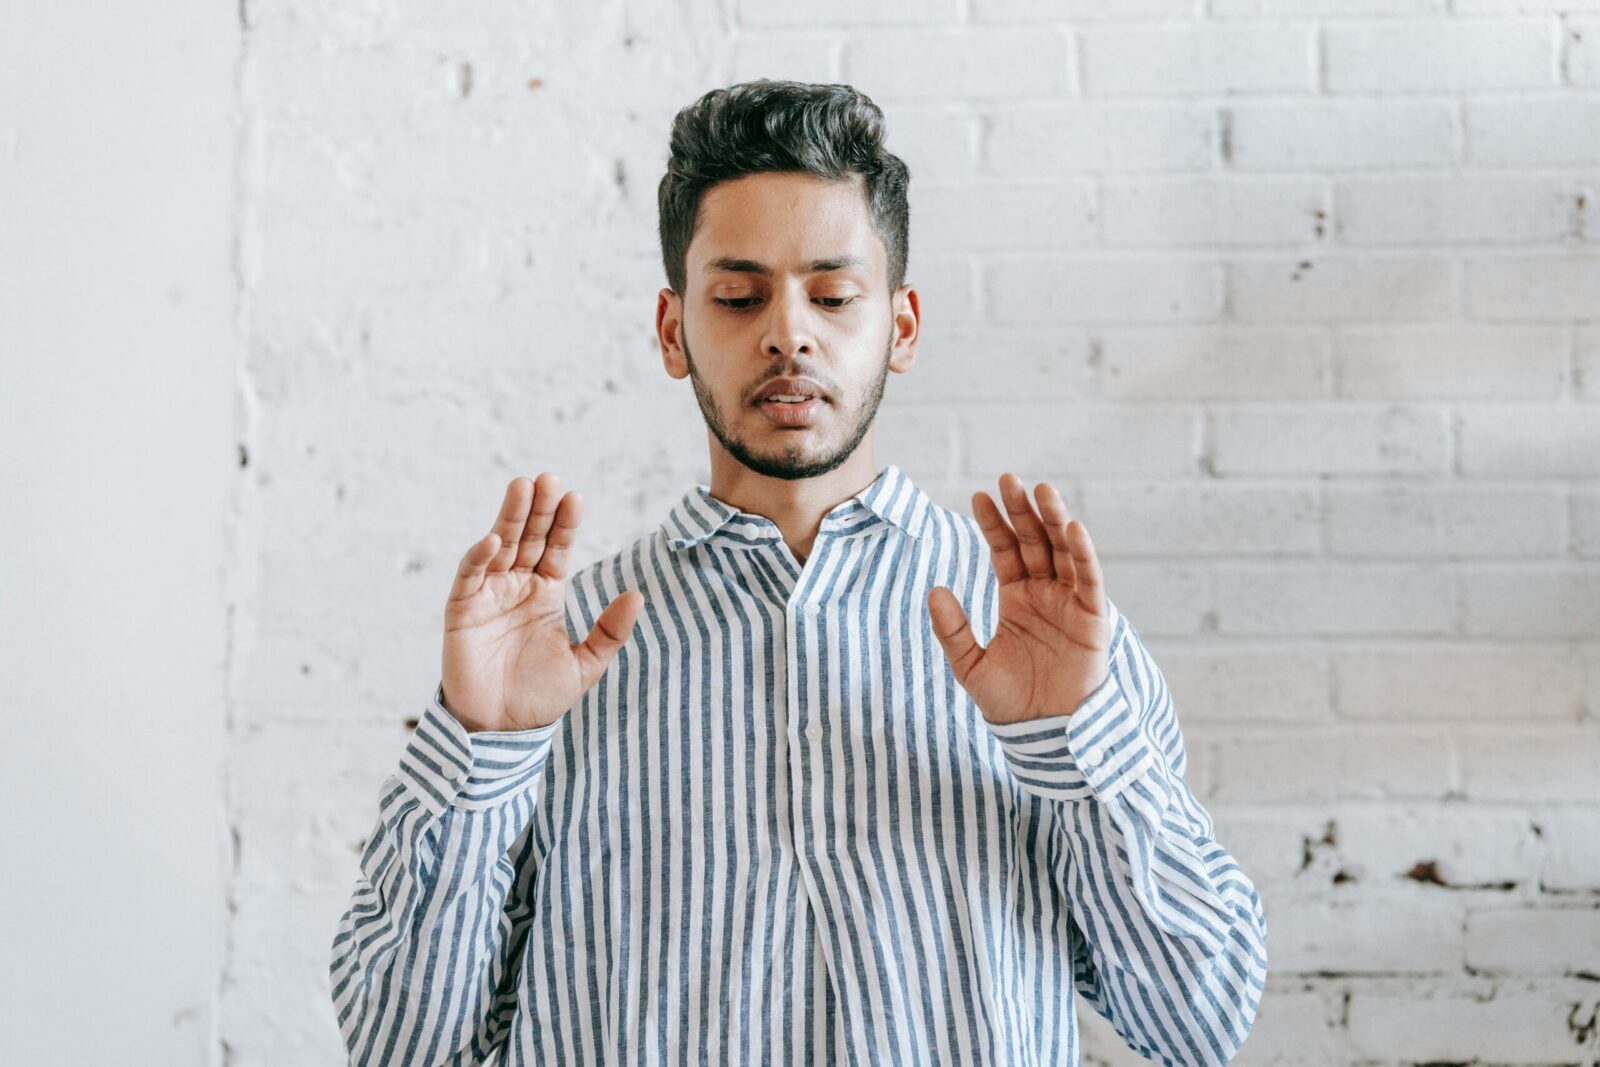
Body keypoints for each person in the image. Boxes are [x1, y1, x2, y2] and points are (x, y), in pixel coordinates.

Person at [329, 79, 1267, 1066]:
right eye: (737, 296)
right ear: (670, 328)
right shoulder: (554, 652)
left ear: (900, 327)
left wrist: (1070, 740)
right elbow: (402, 1047)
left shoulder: (1040, 633)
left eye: (832, 295)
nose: (788, 333)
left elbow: (1195, 1025)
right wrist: (483, 750)